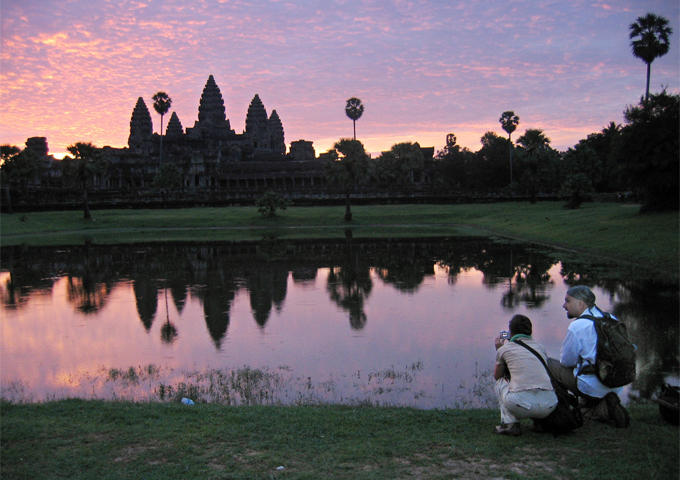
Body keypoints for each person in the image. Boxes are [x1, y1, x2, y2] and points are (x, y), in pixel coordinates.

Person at [547, 285, 630, 428]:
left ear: (580, 303)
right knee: (586, 400)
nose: (564, 305)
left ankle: (562, 410)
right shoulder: (611, 319)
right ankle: (605, 407)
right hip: (616, 383)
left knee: (548, 364)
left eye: (568, 301)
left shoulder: (577, 326)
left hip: (590, 387)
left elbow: (566, 362)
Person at [493, 314, 558, 436]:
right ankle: (541, 422)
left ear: (510, 332)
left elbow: (497, 376)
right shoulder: (540, 348)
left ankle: (510, 424)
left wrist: (499, 350)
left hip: (519, 405)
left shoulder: (504, 349)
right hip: (549, 405)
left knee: (500, 382)